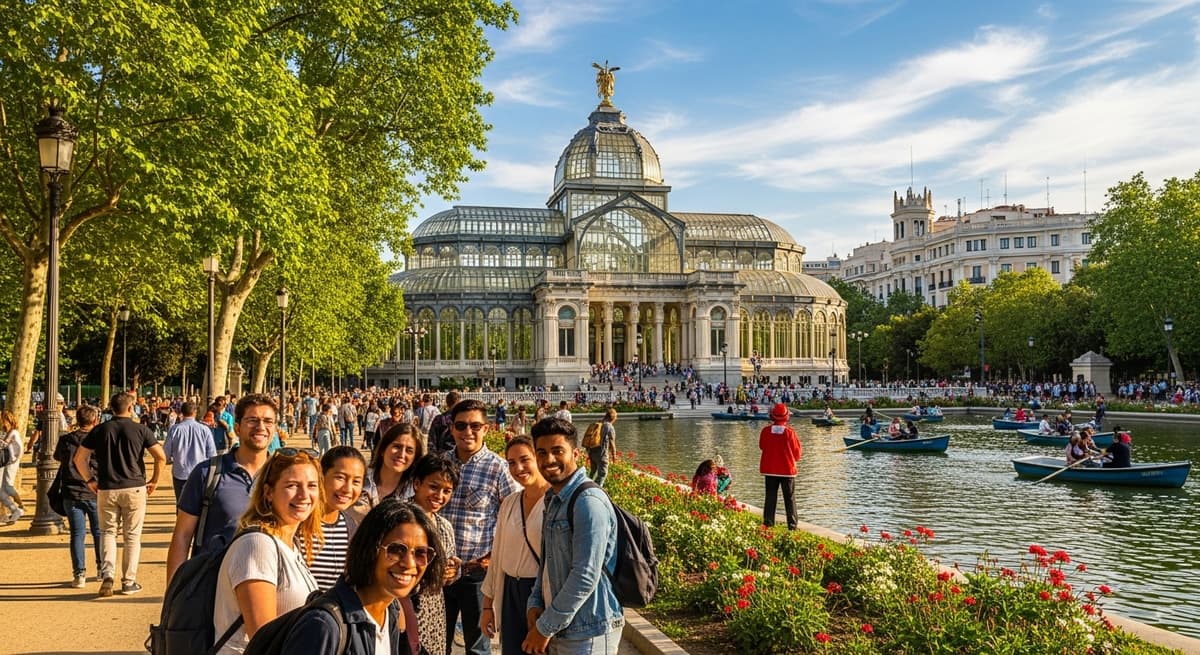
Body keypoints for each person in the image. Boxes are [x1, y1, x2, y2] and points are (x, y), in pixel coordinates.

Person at [278, 499, 444, 655]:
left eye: (421, 553)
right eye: (396, 550)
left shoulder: (390, 612)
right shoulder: (324, 626)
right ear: (370, 549)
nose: (409, 563)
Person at [524, 417, 623, 655]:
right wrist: (535, 602)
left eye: (558, 451)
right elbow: (547, 561)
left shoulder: (588, 502)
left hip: (588, 632)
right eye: (542, 452)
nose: (549, 459)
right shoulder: (554, 499)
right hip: (562, 626)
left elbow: (585, 575)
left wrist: (545, 628)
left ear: (575, 454)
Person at [212, 448, 323, 654]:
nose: (304, 495)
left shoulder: (289, 545)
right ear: (268, 492)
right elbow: (264, 641)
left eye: (312, 485)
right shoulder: (257, 546)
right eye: (292, 485)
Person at [166, 394, 277, 581]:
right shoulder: (206, 473)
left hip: (271, 583)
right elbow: (182, 536)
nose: (260, 427)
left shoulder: (282, 476)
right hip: (213, 584)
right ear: (237, 427)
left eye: (268, 421)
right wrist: (174, 591)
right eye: (252, 420)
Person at [441, 399, 520, 655]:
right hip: (439, 571)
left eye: (475, 426)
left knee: (478, 646)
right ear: (452, 428)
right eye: (461, 426)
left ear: (486, 429)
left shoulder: (499, 468)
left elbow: (516, 518)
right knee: (435, 642)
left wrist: (493, 557)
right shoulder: (440, 464)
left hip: (476, 574)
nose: (468, 432)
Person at [75, 392, 167, 597]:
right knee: (132, 536)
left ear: (111, 408)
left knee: (108, 532)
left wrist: (90, 480)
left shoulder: (100, 429)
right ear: (131, 408)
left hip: (107, 487)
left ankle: (107, 574)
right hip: (135, 486)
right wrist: (154, 480)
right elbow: (160, 457)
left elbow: (79, 458)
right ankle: (128, 581)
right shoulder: (141, 430)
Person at [481, 436, 548, 655]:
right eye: (511, 462)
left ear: (538, 458)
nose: (518, 468)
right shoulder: (510, 503)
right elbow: (497, 557)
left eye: (524, 459)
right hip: (510, 591)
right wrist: (487, 605)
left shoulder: (555, 502)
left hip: (541, 594)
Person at [408, 455, 462, 655]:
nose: (439, 495)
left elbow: (448, 574)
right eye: (433, 487)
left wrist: (452, 572)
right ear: (417, 484)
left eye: (447, 491)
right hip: (403, 609)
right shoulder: (398, 519)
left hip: (435, 612)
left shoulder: (445, 526)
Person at [54, 404, 102, 587]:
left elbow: (57, 457)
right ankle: (101, 569)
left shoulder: (66, 440)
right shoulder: (99, 440)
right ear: (95, 420)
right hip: (94, 490)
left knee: (77, 534)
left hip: (71, 491)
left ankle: (79, 574)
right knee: (99, 532)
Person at [309, 446, 367, 591]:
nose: (347, 489)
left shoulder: (352, 528)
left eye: (356, 482)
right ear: (321, 476)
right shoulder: (298, 524)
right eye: (340, 478)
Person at [758, 403, 801, 531]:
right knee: (789, 498)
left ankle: (768, 523)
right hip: (787, 470)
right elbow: (797, 453)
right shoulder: (790, 432)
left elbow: (762, 446)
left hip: (770, 469)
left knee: (770, 497)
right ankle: (792, 526)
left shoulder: (765, 431)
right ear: (786, 416)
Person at [163, 401, 217, 499]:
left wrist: (169, 460)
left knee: (181, 502)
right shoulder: (205, 430)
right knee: (199, 503)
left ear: (182, 413)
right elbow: (212, 455)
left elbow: (166, 453)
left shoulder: (175, 429)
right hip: (200, 473)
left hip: (180, 473)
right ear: (195, 412)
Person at [363, 422, 425, 505]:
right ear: (383, 449)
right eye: (397, 447)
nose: (401, 455)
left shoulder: (416, 494)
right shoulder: (360, 480)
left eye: (409, 451)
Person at [0, 410, 26, 525]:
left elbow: (3, 444)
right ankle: (14, 510)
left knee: (7, 487)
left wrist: (16, 459)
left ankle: (19, 506)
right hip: (6, 462)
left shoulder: (13, 433)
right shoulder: (6, 432)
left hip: (10, 462)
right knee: (2, 490)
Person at [587, 408, 618, 487]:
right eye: (616, 417)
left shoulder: (598, 424)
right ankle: (595, 490)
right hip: (602, 454)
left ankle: (585, 486)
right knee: (602, 474)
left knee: (592, 472)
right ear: (613, 418)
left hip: (592, 452)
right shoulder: (609, 426)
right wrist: (614, 455)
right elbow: (612, 442)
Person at [426, 391, 461, 457]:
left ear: (447, 402)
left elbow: (431, 442)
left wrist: (434, 458)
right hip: (459, 456)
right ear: (458, 402)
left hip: (442, 456)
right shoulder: (462, 419)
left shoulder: (439, 419)